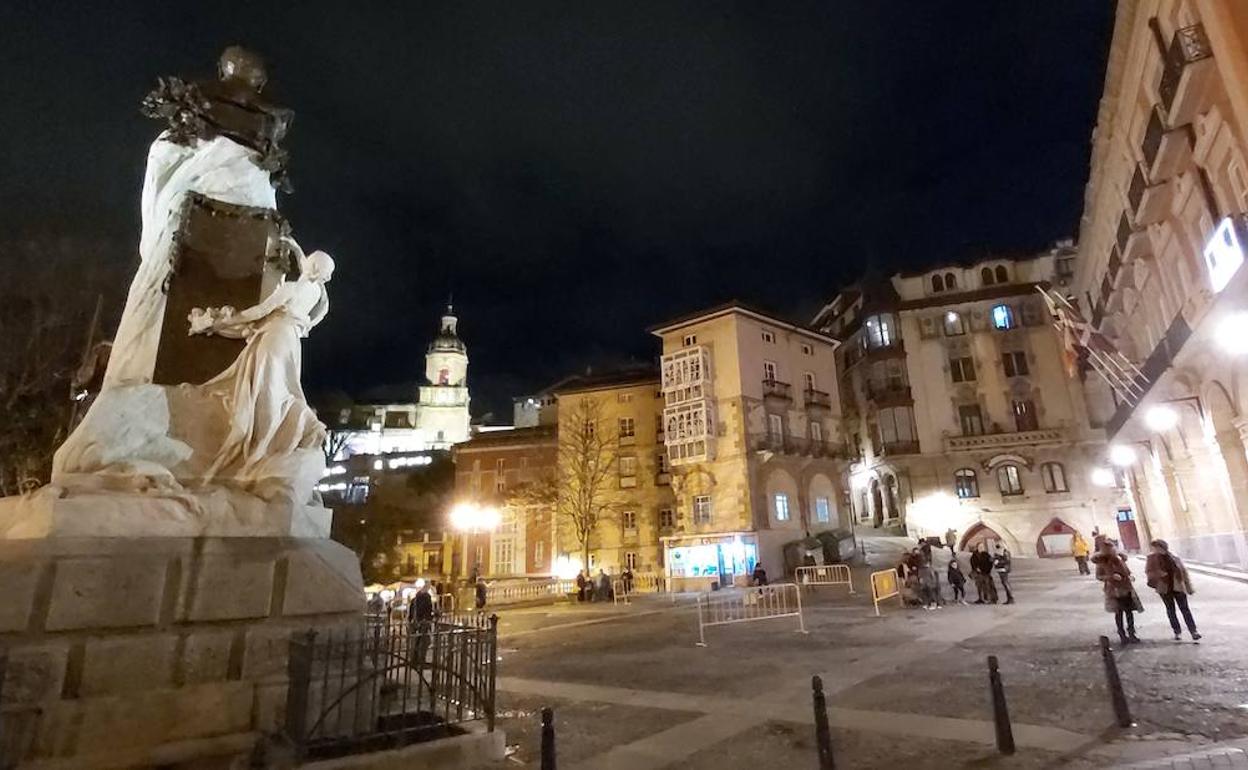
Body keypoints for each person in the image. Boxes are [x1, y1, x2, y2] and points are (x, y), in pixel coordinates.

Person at [1144, 539, 1201, 642]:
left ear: (1164, 547)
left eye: (1158, 547)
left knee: (1185, 609)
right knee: (1171, 610)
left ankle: (1193, 631)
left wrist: (1189, 587)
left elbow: (1183, 572)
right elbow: (1148, 572)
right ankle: (1177, 631)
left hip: (1177, 586)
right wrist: (1158, 574)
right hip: (1164, 588)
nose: (1156, 550)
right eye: (1154, 547)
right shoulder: (1151, 558)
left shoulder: (1174, 557)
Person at [1093, 539, 1142, 646]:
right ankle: (1122, 635)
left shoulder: (1119, 559)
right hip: (1114, 591)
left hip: (1126, 588)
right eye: (1109, 549)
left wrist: (1130, 576)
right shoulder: (1101, 562)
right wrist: (1111, 577)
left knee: (1129, 612)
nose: (1112, 550)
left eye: (1112, 548)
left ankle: (1132, 633)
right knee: (1119, 613)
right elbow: (1099, 576)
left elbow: (1127, 571)